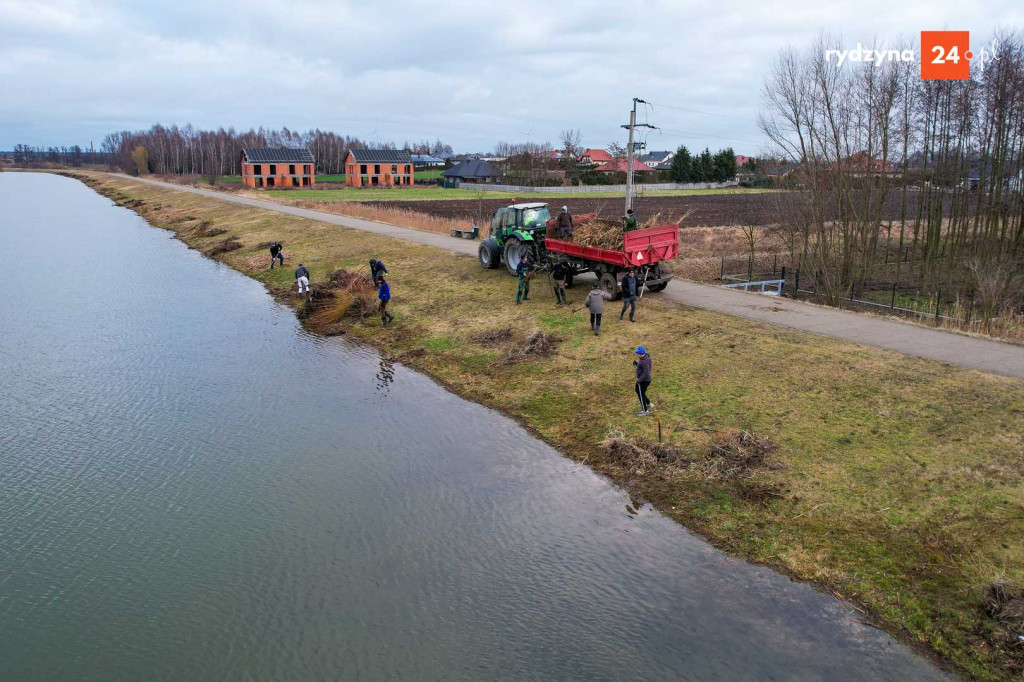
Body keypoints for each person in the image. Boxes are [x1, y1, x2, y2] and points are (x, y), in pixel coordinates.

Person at [633, 346, 653, 415]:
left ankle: (645, 410)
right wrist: (637, 364)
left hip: (644, 380)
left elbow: (646, 373)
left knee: (640, 393)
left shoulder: (644, 361)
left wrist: (639, 380)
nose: (636, 354)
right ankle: (648, 403)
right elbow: (643, 367)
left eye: (637, 353)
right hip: (644, 379)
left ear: (640, 354)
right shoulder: (645, 358)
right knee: (639, 391)